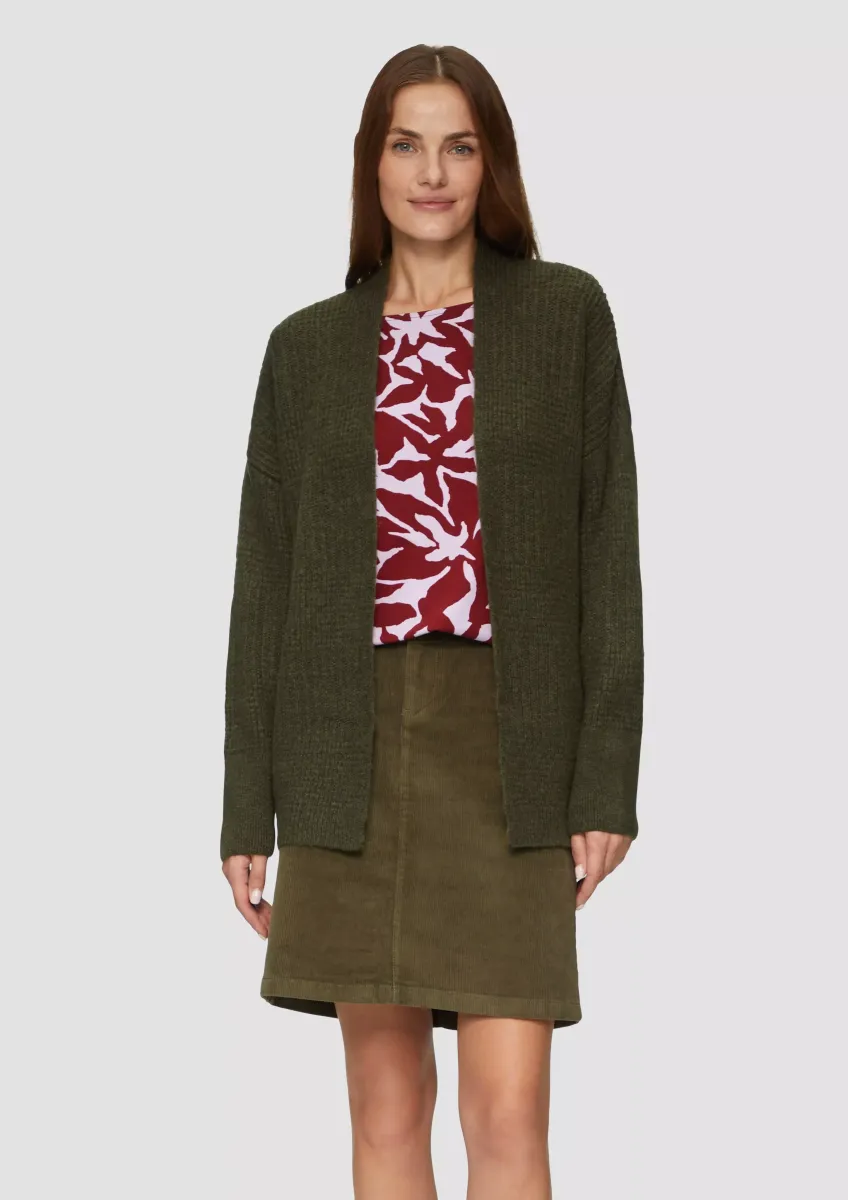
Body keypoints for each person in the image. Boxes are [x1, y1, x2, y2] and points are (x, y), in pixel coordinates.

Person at [220, 42, 644, 1200]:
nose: (432, 173)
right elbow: (264, 586)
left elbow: (605, 551)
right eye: (406, 145)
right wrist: (247, 800)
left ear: (489, 163)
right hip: (341, 753)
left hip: (508, 751)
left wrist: (603, 782)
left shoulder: (562, 315)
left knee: (505, 1109)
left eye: (458, 146)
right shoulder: (305, 350)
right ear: (372, 164)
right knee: (384, 1105)